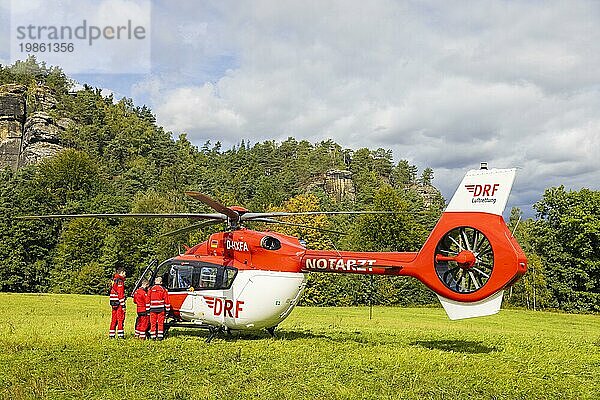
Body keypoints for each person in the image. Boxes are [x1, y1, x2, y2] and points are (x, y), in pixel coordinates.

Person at [148, 276, 171, 340]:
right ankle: (160, 336)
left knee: (153, 323)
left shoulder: (151, 289)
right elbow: (167, 300)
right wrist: (167, 310)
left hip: (152, 308)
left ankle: (153, 336)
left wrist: (147, 310)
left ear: (155, 281)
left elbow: (148, 299)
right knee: (161, 323)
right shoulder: (163, 289)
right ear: (161, 282)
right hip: (161, 308)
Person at [108, 267, 126, 339]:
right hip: (118, 302)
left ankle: (111, 334)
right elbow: (120, 294)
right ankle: (120, 335)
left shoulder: (114, 280)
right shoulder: (120, 281)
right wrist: (123, 305)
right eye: (124, 273)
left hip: (113, 302)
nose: (125, 275)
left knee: (113, 319)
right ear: (121, 273)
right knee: (120, 318)